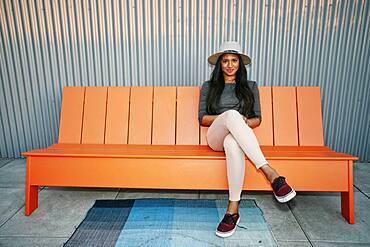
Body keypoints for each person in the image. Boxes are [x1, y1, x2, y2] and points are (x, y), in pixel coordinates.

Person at [198, 41, 296, 238]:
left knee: (233, 144)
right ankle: (271, 173)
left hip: (237, 138)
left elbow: (257, 118)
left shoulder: (250, 86)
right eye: (225, 61)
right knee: (232, 116)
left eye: (234, 60)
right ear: (219, 64)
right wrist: (231, 116)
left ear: (240, 64)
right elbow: (203, 118)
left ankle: (232, 210)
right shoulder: (209, 86)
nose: (230, 64)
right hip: (215, 136)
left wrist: (242, 123)